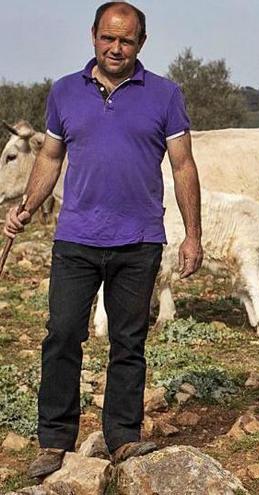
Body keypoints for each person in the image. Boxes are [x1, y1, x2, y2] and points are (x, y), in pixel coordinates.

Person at [3, 2, 203, 478]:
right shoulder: (64, 92)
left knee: (129, 341)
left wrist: (193, 235)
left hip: (139, 240)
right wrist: (27, 206)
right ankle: (54, 443)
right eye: (109, 38)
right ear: (93, 36)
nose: (117, 48)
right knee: (62, 335)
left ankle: (123, 439)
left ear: (142, 43)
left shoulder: (165, 95)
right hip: (76, 237)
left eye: (127, 40)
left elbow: (183, 166)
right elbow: (50, 158)